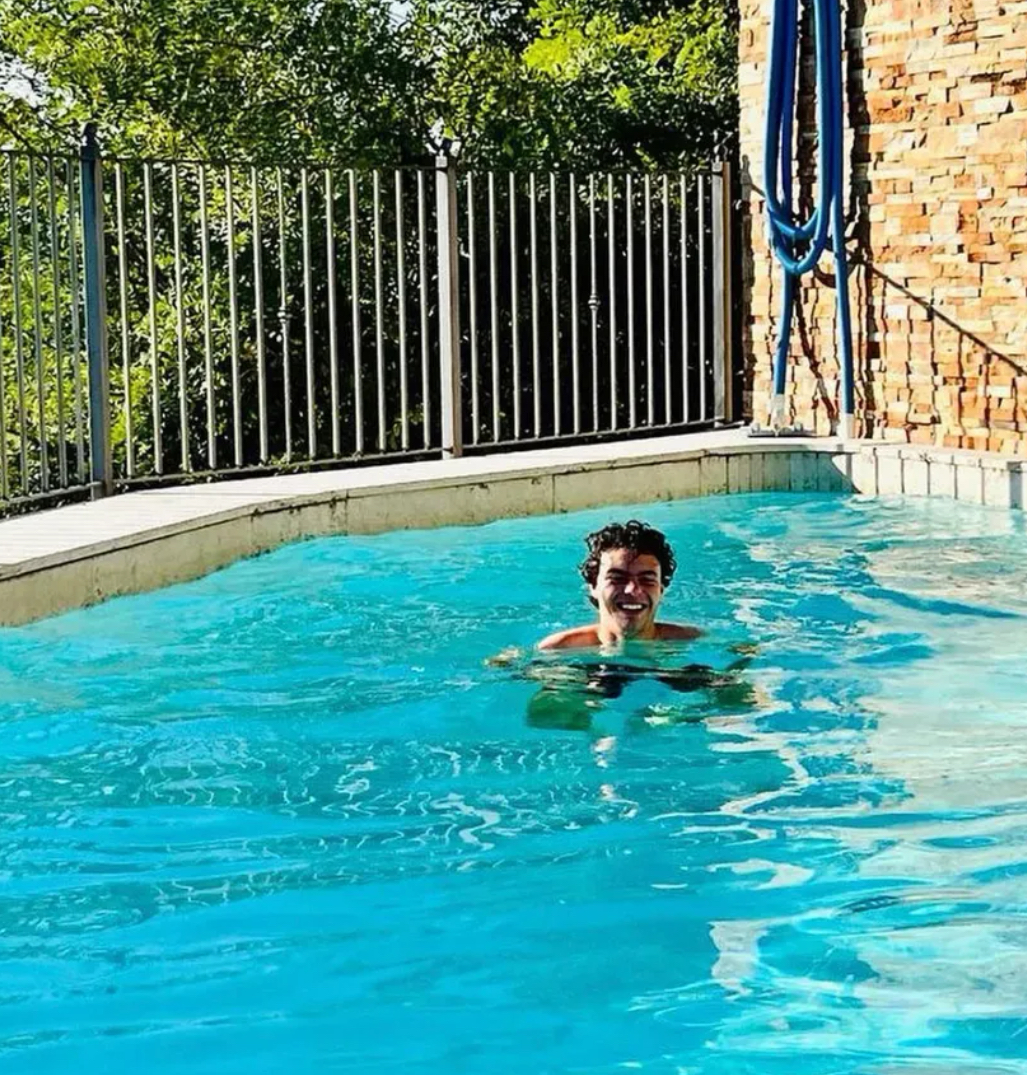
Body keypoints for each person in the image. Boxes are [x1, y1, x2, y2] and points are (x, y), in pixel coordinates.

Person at [536, 519, 700, 650]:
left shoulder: (694, 643)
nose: (633, 590)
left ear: (661, 590)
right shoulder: (557, 652)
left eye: (647, 580)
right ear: (593, 586)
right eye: (617, 579)